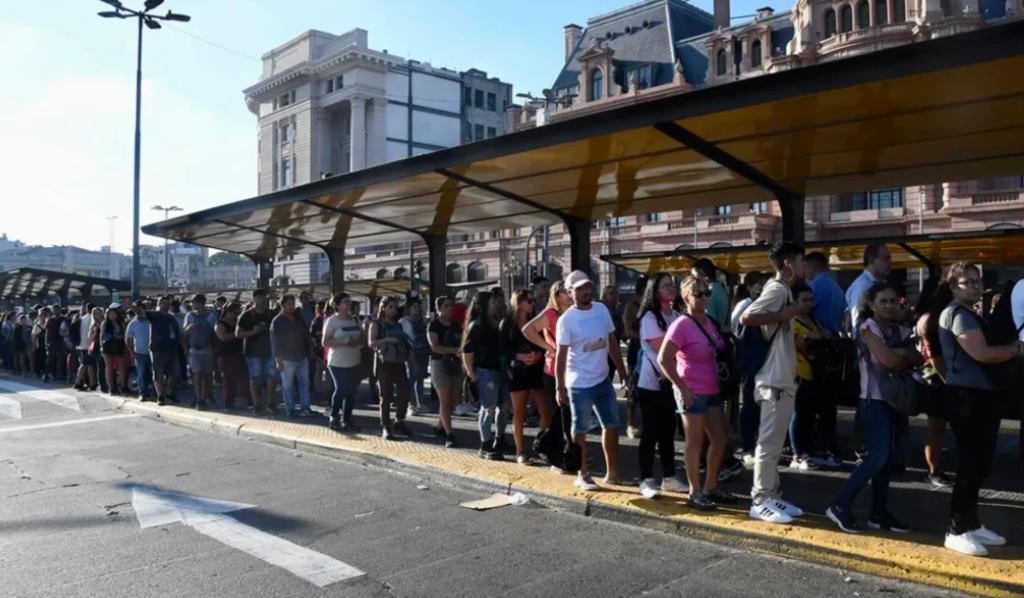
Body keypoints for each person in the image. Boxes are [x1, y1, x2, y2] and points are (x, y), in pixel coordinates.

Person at [938, 262, 1023, 556]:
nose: (976, 286)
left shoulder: (969, 313)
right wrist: (1017, 349)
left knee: (980, 463)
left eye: (978, 281)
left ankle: (971, 523)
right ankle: (956, 529)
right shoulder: (958, 315)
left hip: (980, 398)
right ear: (953, 287)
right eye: (968, 282)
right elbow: (982, 354)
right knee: (970, 465)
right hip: (967, 398)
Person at [826, 281, 920, 534]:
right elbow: (891, 359)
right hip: (874, 401)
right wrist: (903, 356)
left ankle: (878, 514)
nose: (889, 306)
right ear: (871, 304)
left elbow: (917, 356)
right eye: (883, 301)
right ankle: (840, 506)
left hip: (894, 400)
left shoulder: (898, 329)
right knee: (876, 457)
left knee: (886, 460)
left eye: (893, 301)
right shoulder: (868, 328)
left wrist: (903, 355)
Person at [739, 241, 805, 524]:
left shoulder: (783, 290)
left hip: (780, 380)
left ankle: (771, 494)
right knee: (768, 444)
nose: (805, 267)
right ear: (788, 264)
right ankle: (761, 500)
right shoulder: (778, 289)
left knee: (775, 444)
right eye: (801, 262)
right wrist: (782, 314)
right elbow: (747, 316)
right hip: (774, 381)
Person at [659, 276, 734, 510]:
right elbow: (663, 359)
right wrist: (682, 388)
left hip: (712, 390)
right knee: (695, 441)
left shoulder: (709, 320)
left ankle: (711, 487)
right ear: (686, 297)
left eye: (707, 293)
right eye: (698, 294)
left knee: (720, 440)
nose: (704, 298)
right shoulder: (682, 324)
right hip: (692, 391)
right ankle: (695, 492)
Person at [556, 270, 629, 491]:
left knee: (612, 425)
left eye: (587, 286)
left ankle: (612, 473)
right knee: (580, 429)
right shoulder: (566, 319)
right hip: (579, 383)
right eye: (579, 288)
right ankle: (582, 474)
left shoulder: (601, 309)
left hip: (603, 379)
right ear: (570, 293)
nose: (586, 291)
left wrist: (622, 372)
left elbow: (612, 342)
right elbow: (560, 355)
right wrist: (560, 387)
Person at [633, 273, 688, 499]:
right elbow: (664, 348)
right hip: (651, 382)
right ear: (655, 292)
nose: (671, 289)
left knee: (667, 432)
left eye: (672, 285)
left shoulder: (675, 315)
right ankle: (646, 479)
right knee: (650, 432)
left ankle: (669, 477)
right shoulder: (649, 318)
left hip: (670, 381)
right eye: (665, 286)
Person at [523, 280, 575, 473]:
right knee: (561, 416)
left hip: (571, 369)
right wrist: (549, 347)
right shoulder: (551, 313)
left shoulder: (571, 313)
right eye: (565, 291)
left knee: (567, 416)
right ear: (556, 295)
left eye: (570, 291)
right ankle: (556, 457)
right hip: (553, 371)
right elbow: (528, 329)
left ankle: (565, 456)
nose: (569, 294)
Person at [500, 289, 551, 464]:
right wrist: (517, 356)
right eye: (528, 301)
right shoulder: (507, 323)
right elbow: (502, 348)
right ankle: (520, 451)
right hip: (517, 372)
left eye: (532, 301)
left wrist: (538, 354)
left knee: (546, 409)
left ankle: (541, 445)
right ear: (518, 303)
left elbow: (546, 342)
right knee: (519, 413)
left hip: (535, 370)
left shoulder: (535, 320)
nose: (532, 303)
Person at [915, 277, 954, 488]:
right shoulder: (933, 319)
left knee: (936, 427)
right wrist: (949, 380)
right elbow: (933, 353)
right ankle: (933, 470)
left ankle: (935, 469)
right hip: (938, 377)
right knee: (936, 426)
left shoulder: (926, 316)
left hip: (934, 376)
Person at [462, 291, 510, 459]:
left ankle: (499, 439)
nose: (495, 303)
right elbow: (467, 350)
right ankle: (485, 444)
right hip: (485, 370)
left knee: (504, 406)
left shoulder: (496, 321)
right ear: (484, 305)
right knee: (488, 407)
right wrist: (471, 372)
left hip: (500, 368)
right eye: (492, 301)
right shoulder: (477, 324)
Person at [788, 284, 829, 470]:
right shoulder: (790, 320)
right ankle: (797, 453)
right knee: (798, 415)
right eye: (804, 300)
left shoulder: (812, 318)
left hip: (813, 373)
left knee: (809, 415)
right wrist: (807, 337)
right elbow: (789, 345)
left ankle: (807, 449)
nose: (808, 304)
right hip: (797, 373)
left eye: (811, 300)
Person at [368, 296, 414, 439]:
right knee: (385, 396)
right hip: (384, 364)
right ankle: (386, 426)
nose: (393, 310)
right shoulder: (376, 324)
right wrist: (387, 340)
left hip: (399, 363)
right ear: (383, 308)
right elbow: (371, 343)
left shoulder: (398, 325)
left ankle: (399, 421)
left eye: (395, 307)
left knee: (404, 393)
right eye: (390, 307)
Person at [323, 292, 364, 432]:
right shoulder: (332, 321)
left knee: (351, 391)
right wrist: (343, 342)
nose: (349, 304)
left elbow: (363, 338)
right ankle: (334, 416)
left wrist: (356, 342)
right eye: (345, 301)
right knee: (341, 388)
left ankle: (347, 420)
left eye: (349, 301)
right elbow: (325, 342)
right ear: (337, 305)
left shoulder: (356, 319)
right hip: (337, 362)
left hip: (354, 360)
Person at [271, 294, 315, 418]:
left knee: (304, 383)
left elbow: (306, 334)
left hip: (301, 355)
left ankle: (305, 407)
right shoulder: (278, 321)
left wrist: (310, 348)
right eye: (288, 304)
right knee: (287, 385)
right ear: (282, 305)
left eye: (292, 304)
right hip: (286, 358)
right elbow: (275, 341)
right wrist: (278, 360)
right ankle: (289, 408)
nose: (291, 306)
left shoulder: (298, 318)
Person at [427, 297, 462, 447]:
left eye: (450, 305)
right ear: (438, 308)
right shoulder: (434, 326)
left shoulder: (456, 326)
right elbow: (435, 347)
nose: (449, 308)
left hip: (455, 365)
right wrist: (453, 351)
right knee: (445, 401)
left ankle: (440, 426)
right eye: (446, 306)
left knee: (453, 401)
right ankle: (450, 434)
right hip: (440, 364)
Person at [237, 289, 278, 413]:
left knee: (272, 377)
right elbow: (238, 333)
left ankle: (270, 402)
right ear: (254, 299)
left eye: (263, 297)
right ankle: (257, 404)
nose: (262, 300)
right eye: (259, 297)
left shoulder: (270, 314)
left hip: (270, 351)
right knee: (255, 378)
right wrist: (254, 332)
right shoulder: (247, 315)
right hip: (253, 352)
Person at [845, 243, 892, 338]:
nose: (890, 262)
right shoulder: (862, 286)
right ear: (871, 261)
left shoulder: (882, 283)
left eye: (890, 258)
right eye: (886, 258)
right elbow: (857, 323)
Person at [622, 276, 647, 440]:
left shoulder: (652, 306)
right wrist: (644, 337)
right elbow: (627, 330)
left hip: (649, 351)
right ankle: (630, 424)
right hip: (637, 349)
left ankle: (646, 423)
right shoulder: (632, 306)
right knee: (633, 388)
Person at [184, 295, 218, 410]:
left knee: (207, 375)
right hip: (194, 350)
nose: (192, 305)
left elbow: (215, 333)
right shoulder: (190, 315)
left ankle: (205, 394)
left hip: (208, 350)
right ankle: (199, 399)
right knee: (197, 374)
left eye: (194, 302)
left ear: (200, 303)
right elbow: (185, 333)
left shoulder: (211, 316)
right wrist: (190, 328)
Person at [400, 299, 432, 417]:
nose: (417, 309)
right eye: (414, 307)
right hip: (412, 352)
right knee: (412, 377)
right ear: (408, 309)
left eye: (418, 307)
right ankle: (411, 403)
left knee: (420, 378)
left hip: (423, 352)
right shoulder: (403, 321)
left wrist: (423, 317)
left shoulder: (421, 320)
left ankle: (421, 401)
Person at [215, 302, 248, 410]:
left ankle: (247, 400)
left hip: (239, 353)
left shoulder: (238, 323)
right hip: (225, 354)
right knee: (229, 379)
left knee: (243, 378)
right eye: (235, 312)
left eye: (238, 313)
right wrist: (237, 333)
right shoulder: (220, 324)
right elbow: (223, 337)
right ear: (227, 312)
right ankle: (228, 403)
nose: (236, 315)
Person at [805, 252, 845, 335]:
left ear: (814, 268)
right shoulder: (837, 287)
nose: (804, 273)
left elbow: (801, 310)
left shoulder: (814, 286)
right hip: (834, 335)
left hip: (819, 337)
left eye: (806, 268)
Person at [126, 301, 155, 401]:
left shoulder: (151, 321)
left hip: (153, 353)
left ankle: (154, 392)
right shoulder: (132, 324)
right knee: (141, 375)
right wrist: (133, 353)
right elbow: (128, 339)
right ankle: (143, 393)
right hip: (140, 354)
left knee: (153, 374)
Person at [692, 258, 730, 328]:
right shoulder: (720, 290)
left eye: (695, 276)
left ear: (701, 273)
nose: (694, 280)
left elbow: (708, 324)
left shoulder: (709, 294)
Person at [100, 305, 129, 395]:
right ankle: (111, 387)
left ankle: (123, 386)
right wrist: (101, 346)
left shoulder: (121, 323)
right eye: (110, 314)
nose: (112, 316)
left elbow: (125, 335)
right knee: (109, 367)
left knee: (122, 366)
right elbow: (101, 335)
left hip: (119, 345)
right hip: (108, 346)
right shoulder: (105, 323)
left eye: (114, 314)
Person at [73, 303, 96, 391]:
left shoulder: (82, 318)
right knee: (90, 365)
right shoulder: (92, 319)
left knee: (84, 364)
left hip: (82, 344)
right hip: (90, 345)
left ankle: (78, 382)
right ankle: (92, 383)